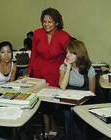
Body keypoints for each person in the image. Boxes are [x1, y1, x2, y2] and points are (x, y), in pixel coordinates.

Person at [26, 7, 70, 139]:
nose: (46, 24)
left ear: (56, 22)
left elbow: (68, 57)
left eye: (50, 21)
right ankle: (46, 127)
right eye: (44, 21)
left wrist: (66, 71)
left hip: (55, 73)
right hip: (39, 72)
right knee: (42, 103)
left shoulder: (64, 36)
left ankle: (54, 125)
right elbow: (33, 54)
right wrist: (29, 73)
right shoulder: (37, 34)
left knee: (53, 103)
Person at [59, 40, 96, 140]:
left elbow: (92, 93)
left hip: (84, 102)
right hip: (68, 102)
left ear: (79, 53)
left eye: (71, 53)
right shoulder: (63, 67)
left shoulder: (89, 69)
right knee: (68, 118)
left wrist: (80, 101)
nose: (67, 55)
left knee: (77, 127)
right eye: (66, 52)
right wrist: (68, 68)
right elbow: (62, 86)